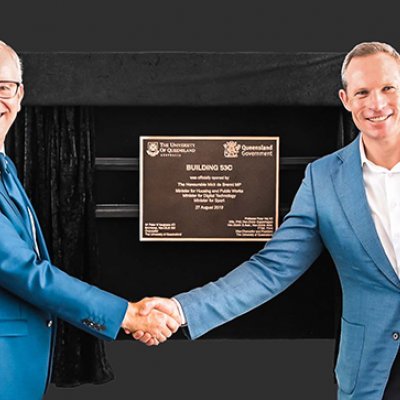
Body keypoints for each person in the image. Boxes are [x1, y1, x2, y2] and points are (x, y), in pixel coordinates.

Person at [134, 42, 400, 399]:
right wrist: (181, 309)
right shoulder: (323, 180)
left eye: (388, 88)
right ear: (346, 99)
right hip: (371, 372)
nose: (377, 103)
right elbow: (270, 269)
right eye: (362, 92)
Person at [0, 40, 180, 400]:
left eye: (3, 88)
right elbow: (21, 268)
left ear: (20, 96)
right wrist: (125, 314)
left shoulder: (5, 167)